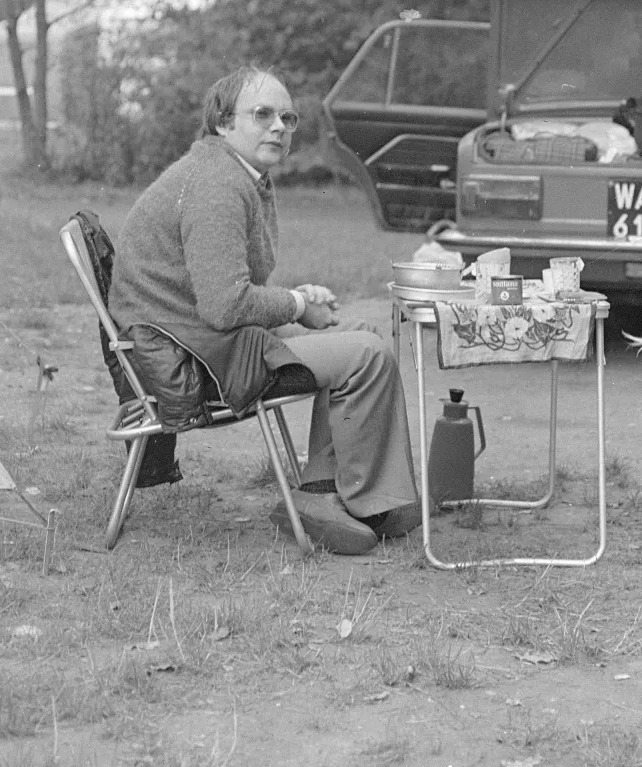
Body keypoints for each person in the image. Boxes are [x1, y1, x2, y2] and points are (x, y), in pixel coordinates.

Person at [107, 66, 421, 555]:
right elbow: (225, 304)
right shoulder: (215, 185)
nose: (279, 127)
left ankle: (331, 491)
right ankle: (341, 499)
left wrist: (296, 303)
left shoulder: (230, 173)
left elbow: (225, 289)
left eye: (288, 118)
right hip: (192, 360)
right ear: (223, 122)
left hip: (203, 342)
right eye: (263, 115)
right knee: (364, 353)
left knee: (360, 331)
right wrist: (296, 303)